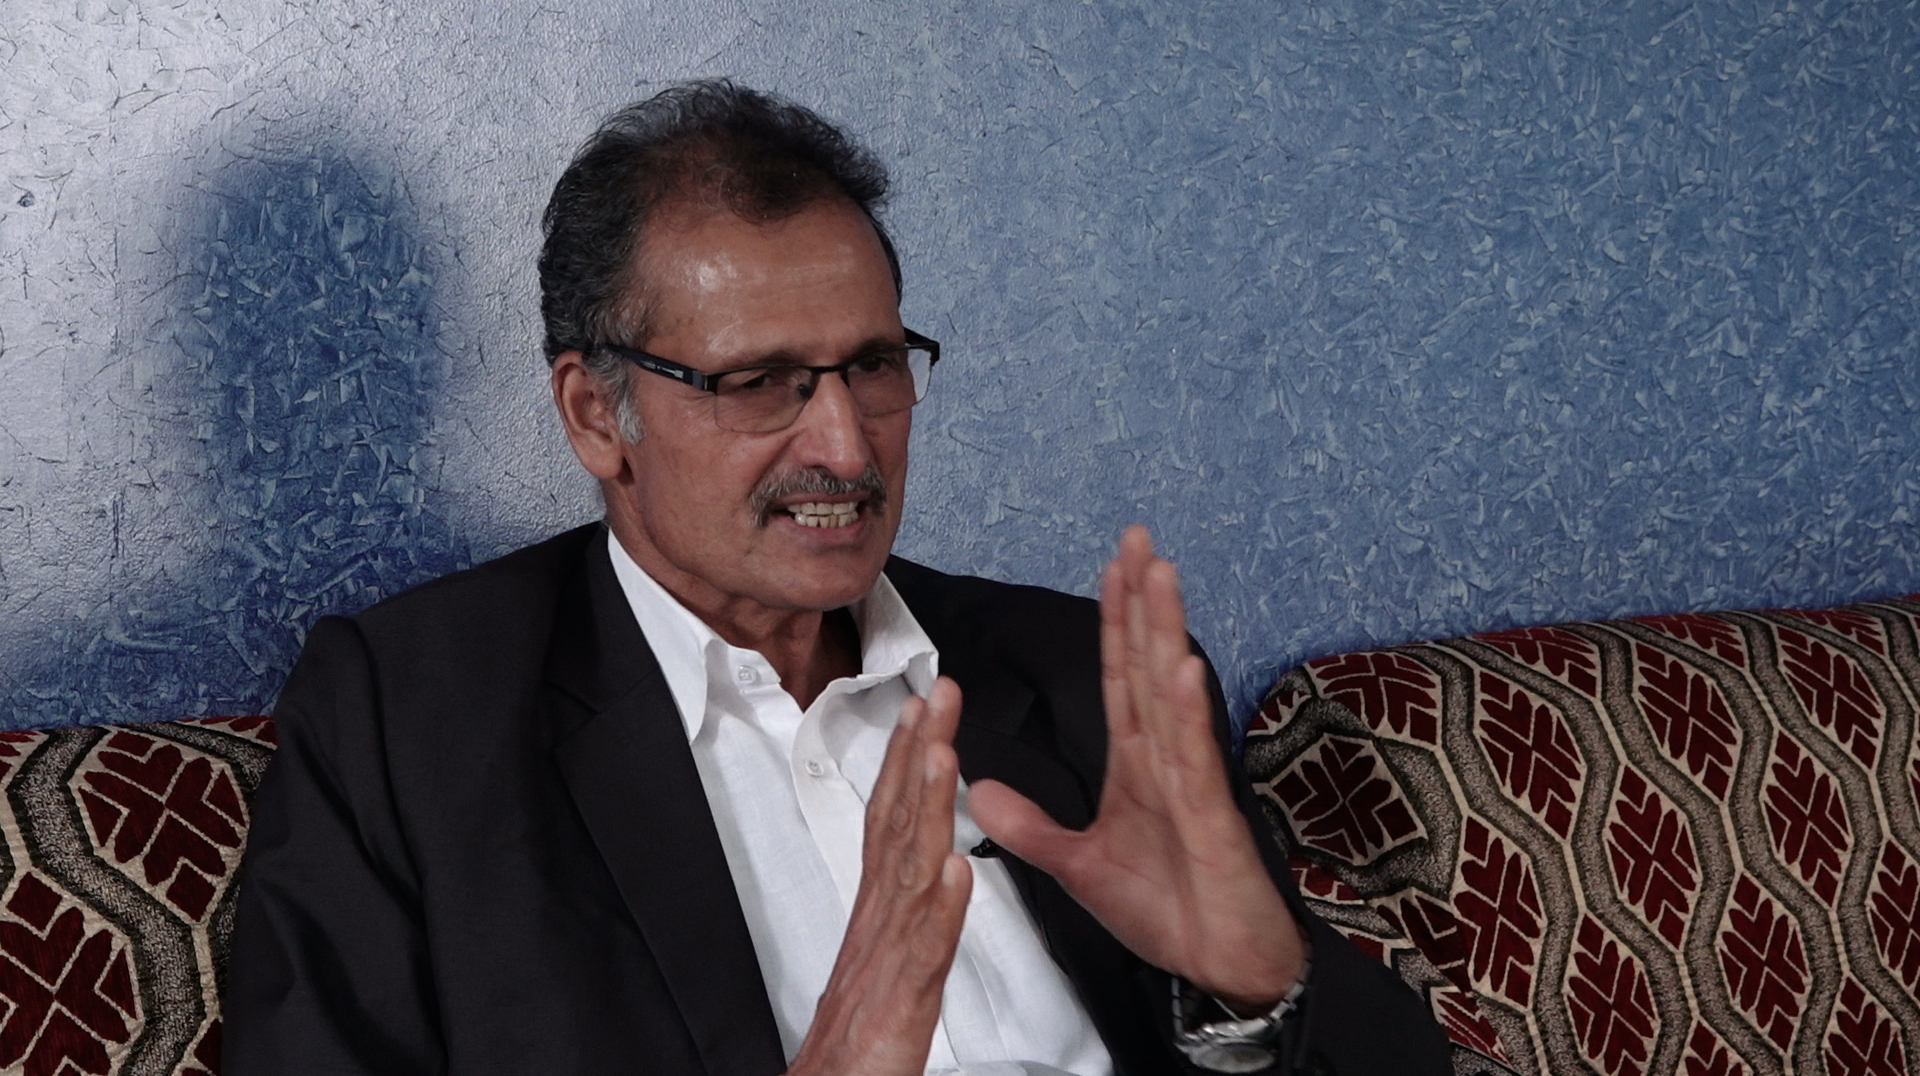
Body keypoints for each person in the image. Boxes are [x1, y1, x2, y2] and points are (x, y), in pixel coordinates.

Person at [223, 80, 1449, 1076]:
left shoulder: (1089, 683)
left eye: (872, 365)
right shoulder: (411, 725)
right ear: (597, 414)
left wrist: (1255, 994)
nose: (848, 448)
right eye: (761, 382)